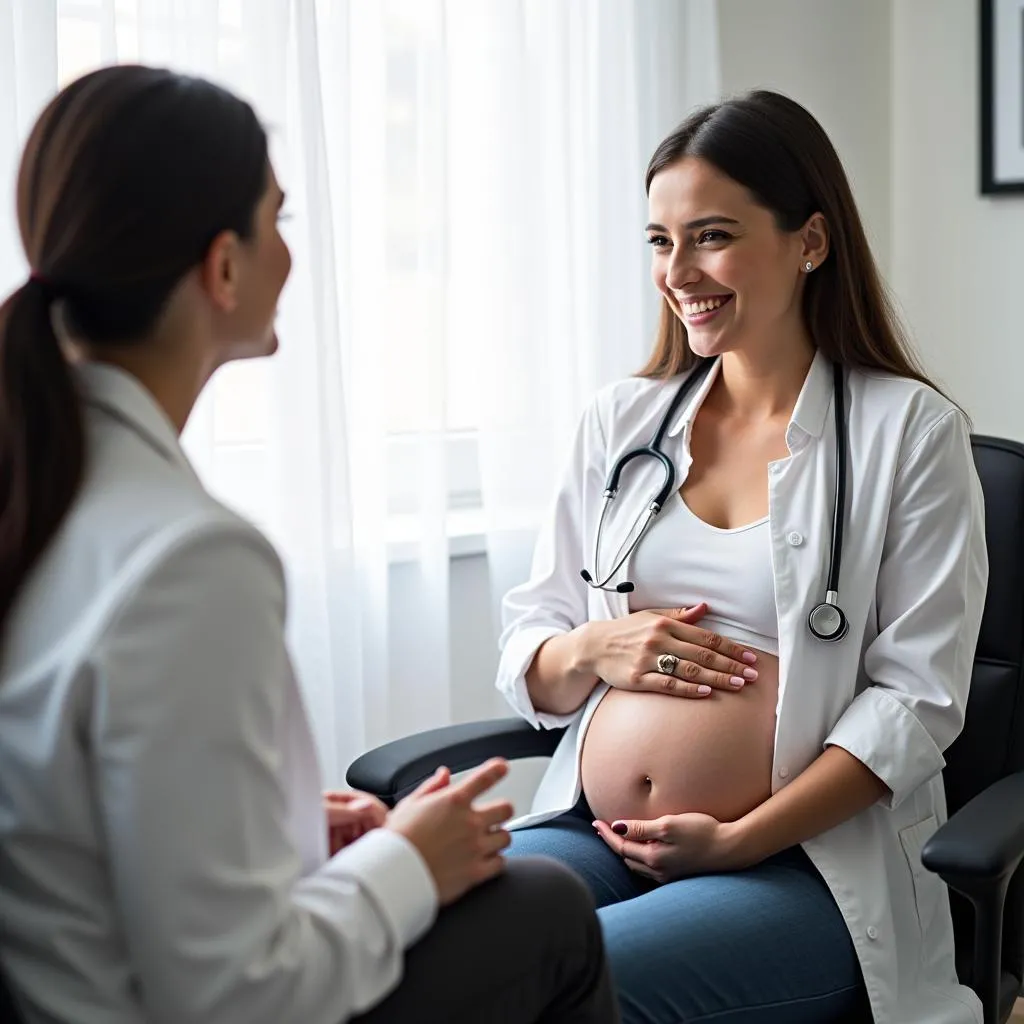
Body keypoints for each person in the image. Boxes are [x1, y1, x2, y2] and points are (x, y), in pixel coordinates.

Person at [0, 65, 619, 1024]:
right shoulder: (187, 563)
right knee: (545, 911)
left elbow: (71, 832)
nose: (292, 256)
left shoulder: (40, 488)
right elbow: (241, 996)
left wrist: (278, 839)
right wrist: (405, 863)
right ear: (224, 266)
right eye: (277, 220)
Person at [497, 90, 988, 1024]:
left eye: (710, 236)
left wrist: (740, 839)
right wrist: (593, 653)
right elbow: (535, 637)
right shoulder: (623, 422)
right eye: (658, 240)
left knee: (574, 988)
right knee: (425, 942)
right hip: (595, 833)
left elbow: (918, 705)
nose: (677, 271)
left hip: (803, 865)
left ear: (809, 241)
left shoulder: (909, 433)